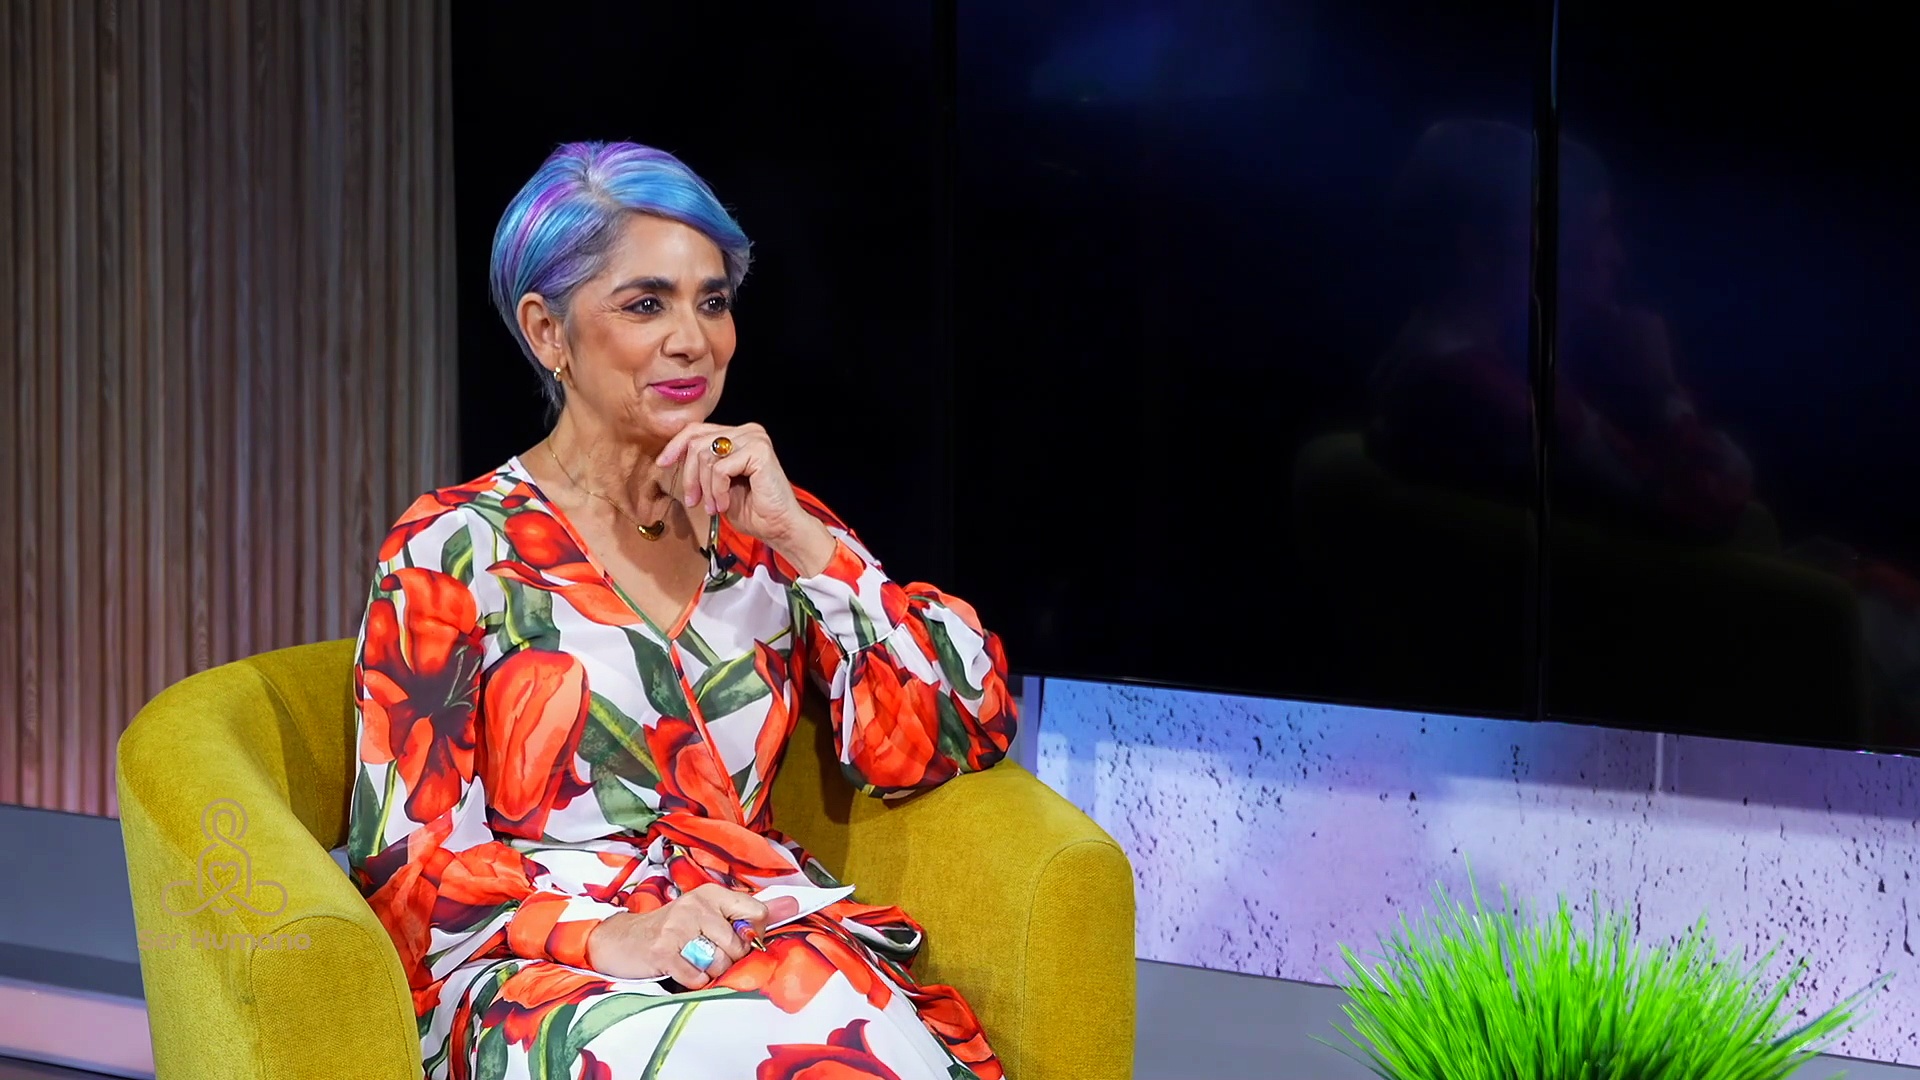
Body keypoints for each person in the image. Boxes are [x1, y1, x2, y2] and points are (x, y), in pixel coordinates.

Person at [345, 141, 1016, 1079]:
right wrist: (610, 934)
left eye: (712, 301)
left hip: (759, 943)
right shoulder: (451, 548)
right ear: (546, 332)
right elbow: (407, 867)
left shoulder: (762, 521)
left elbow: (950, 730)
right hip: (549, 971)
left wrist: (803, 539)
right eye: (646, 304)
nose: (694, 340)